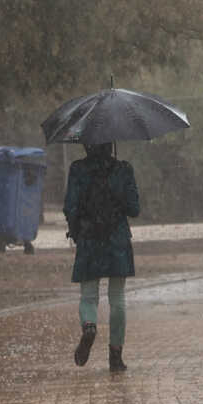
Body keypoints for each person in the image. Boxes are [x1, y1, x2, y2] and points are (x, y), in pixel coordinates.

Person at [64, 139, 141, 372]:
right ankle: (115, 356)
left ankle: (89, 325)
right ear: (111, 144)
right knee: (117, 299)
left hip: (89, 238)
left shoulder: (78, 170)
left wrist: (76, 230)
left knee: (88, 296)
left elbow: (70, 207)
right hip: (116, 238)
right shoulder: (123, 170)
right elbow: (134, 209)